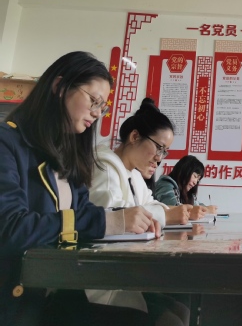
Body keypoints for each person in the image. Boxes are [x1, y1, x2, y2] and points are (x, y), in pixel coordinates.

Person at [0, 52, 158, 326]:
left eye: (102, 107)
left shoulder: (64, 153)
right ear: (59, 87)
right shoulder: (7, 142)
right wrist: (109, 221)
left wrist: (126, 220)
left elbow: (83, 210)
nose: (97, 113)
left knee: (160, 315)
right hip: (17, 302)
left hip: (55, 294)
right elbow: (11, 228)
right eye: (94, 101)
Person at [90, 98, 192, 228]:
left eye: (164, 151)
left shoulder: (135, 175)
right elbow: (111, 216)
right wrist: (166, 216)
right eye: (159, 148)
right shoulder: (104, 167)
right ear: (135, 137)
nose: (159, 158)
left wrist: (171, 212)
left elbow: (151, 203)